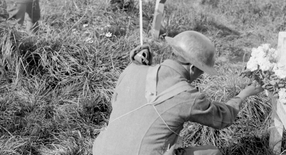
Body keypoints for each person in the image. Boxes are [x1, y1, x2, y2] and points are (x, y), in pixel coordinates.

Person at [92, 31, 264, 155]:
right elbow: (222, 118)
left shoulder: (133, 69)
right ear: (193, 68)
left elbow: (117, 104)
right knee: (212, 153)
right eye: (202, 71)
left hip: (101, 149)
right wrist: (244, 94)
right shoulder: (187, 96)